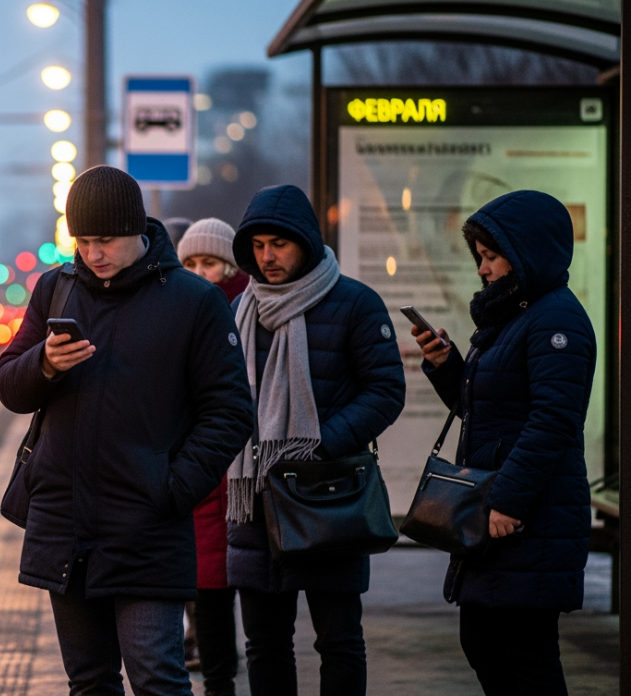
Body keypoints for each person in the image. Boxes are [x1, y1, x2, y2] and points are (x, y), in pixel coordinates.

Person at [0, 165, 255, 696]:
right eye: (83, 241)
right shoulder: (55, 290)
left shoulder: (193, 301)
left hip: (147, 525)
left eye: (106, 240)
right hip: (64, 522)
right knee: (89, 681)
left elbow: (230, 411)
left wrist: (173, 487)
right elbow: (9, 387)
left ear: (138, 230)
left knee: (157, 677)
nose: (93, 253)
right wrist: (43, 364)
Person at [411, 190, 594, 695]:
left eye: (492, 256)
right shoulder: (514, 317)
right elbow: (485, 411)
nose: (483, 270)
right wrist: (449, 367)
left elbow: (554, 420)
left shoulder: (555, 320)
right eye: (480, 258)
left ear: (527, 251)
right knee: (485, 642)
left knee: (524, 655)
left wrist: (508, 499)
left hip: (527, 514)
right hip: (497, 509)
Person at [225, 184, 405, 696]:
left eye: (278, 244)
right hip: (255, 499)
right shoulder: (240, 310)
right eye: (257, 246)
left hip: (330, 497)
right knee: (264, 644)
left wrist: (318, 447)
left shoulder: (353, 302)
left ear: (304, 241)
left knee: (340, 640)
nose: (266, 257)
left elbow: (386, 390)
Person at [176, 217, 249, 696]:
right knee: (207, 589)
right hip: (202, 473)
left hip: (243, 473)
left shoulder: (245, 309)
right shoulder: (180, 311)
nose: (201, 272)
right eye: (192, 264)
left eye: (210, 262)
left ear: (228, 265)